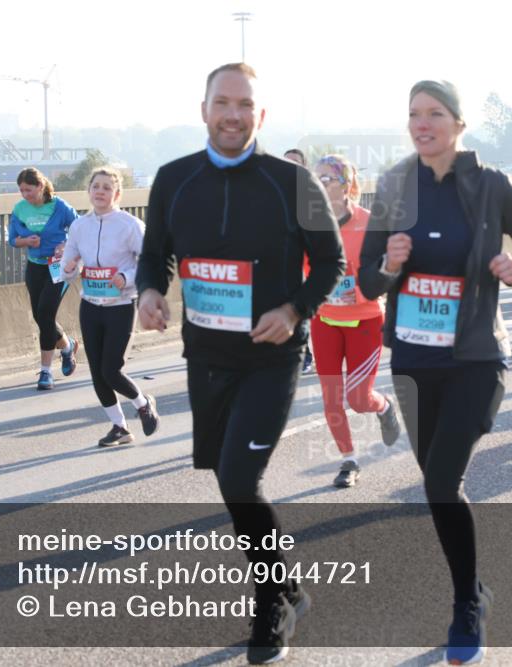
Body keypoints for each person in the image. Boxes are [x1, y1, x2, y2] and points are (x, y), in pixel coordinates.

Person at [135, 63, 345, 663]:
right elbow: (156, 256)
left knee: (238, 479)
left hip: (271, 358)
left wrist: (294, 309)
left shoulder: (292, 182)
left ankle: (270, 606)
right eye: (222, 103)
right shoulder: (175, 179)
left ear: (261, 115)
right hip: (205, 357)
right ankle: (288, 586)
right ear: (203, 110)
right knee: (226, 479)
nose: (233, 114)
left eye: (244, 104)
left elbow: (330, 265)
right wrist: (150, 292)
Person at [359, 80, 512, 665]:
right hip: (415, 360)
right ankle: (474, 590)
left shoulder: (491, 184)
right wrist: (388, 265)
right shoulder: (395, 187)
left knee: (441, 482)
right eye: (414, 114)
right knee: (440, 489)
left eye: (435, 114)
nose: (423, 123)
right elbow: (368, 282)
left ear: (459, 124)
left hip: (475, 358)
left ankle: (465, 606)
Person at [309, 154, 401, 488]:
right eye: (315, 179)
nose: (319, 185)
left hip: (365, 321)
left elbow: (386, 271)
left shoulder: (369, 222)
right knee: (331, 399)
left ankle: (384, 407)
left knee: (358, 399)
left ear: (346, 184)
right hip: (326, 323)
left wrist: (362, 287)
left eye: (327, 179)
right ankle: (349, 460)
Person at [59, 168, 159, 445]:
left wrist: (126, 277)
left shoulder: (130, 225)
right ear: (89, 191)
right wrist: (69, 267)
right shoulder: (79, 226)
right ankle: (120, 427)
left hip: (121, 304)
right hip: (91, 305)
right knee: (97, 372)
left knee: (111, 369)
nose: (100, 192)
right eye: (96, 187)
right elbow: (69, 262)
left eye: (107, 188)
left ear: (117, 194)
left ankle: (142, 403)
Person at [8, 167, 80, 390]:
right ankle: (67, 347)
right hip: (35, 267)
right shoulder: (20, 209)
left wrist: (66, 245)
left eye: (28, 190)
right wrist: (27, 241)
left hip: (59, 268)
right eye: (21, 190)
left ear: (40, 186)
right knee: (41, 317)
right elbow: (13, 239)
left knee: (47, 313)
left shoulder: (60, 207)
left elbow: (79, 230)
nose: (25, 195)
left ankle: (46, 372)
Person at [283, 147, 316, 374]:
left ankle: (307, 352)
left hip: (310, 260)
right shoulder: (274, 193)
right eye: (286, 162)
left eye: (295, 163)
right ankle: (305, 352)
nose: (290, 167)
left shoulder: (313, 195)